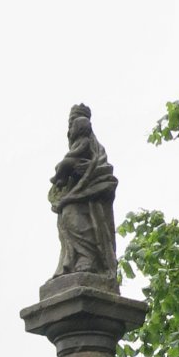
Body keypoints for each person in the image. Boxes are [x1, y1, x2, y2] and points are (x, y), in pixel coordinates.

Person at [50, 104, 118, 277]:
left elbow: (105, 173)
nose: (70, 130)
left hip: (88, 198)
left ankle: (88, 258)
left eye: (73, 125)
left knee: (71, 213)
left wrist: (86, 169)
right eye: (70, 124)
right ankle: (72, 261)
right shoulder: (76, 149)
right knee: (67, 214)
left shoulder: (94, 147)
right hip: (75, 195)